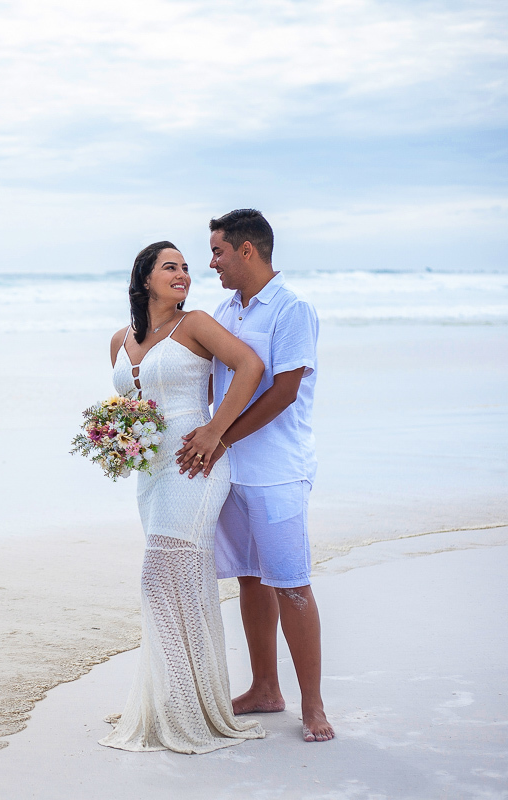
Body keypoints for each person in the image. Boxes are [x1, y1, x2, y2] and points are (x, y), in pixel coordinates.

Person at [99, 240, 266, 754]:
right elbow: (126, 408)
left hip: (195, 465)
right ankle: (173, 696)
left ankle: (191, 706)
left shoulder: (194, 324)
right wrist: (113, 437)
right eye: (170, 267)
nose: (184, 275)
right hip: (149, 476)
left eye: (188, 268)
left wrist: (216, 431)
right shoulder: (118, 340)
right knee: (176, 581)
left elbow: (250, 366)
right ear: (145, 277)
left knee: (159, 574)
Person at [176, 209, 335, 742]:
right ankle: (266, 687)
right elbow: (212, 387)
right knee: (249, 577)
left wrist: (220, 438)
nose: (212, 263)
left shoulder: (292, 309)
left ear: (247, 250)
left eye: (218, 251)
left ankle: (313, 706)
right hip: (230, 473)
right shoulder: (226, 309)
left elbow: (284, 391)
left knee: (290, 583)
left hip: (276, 472)